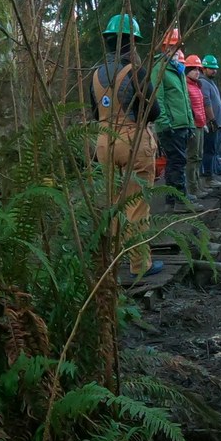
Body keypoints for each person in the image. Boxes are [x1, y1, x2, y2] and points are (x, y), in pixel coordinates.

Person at [88, 14, 163, 280]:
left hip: (103, 142)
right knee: (137, 206)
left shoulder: (95, 74)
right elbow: (153, 110)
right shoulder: (136, 72)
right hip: (133, 142)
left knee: (112, 204)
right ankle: (139, 265)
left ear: (108, 42)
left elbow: (95, 113)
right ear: (132, 43)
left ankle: (112, 264)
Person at [149, 27, 196, 209]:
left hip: (182, 124)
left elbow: (184, 99)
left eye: (178, 46)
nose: (176, 50)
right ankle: (180, 201)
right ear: (165, 48)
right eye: (172, 46)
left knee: (176, 162)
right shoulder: (160, 69)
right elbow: (157, 98)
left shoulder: (178, 70)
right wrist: (165, 124)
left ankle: (174, 199)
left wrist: (190, 123)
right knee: (177, 163)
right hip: (171, 126)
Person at [199, 54, 221, 182]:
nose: (214, 70)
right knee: (209, 151)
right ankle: (208, 178)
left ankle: (214, 174)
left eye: (215, 68)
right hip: (212, 123)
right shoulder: (203, 83)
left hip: (218, 123)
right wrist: (212, 120)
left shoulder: (211, 82)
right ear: (203, 68)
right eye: (211, 68)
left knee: (215, 150)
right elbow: (206, 102)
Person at [184, 54, 207, 198]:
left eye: (198, 69)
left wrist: (204, 123)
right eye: (193, 69)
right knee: (193, 158)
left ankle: (197, 185)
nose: (197, 72)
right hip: (193, 126)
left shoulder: (197, 85)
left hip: (200, 125)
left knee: (199, 156)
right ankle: (192, 188)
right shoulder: (186, 86)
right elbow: (189, 108)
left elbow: (201, 107)